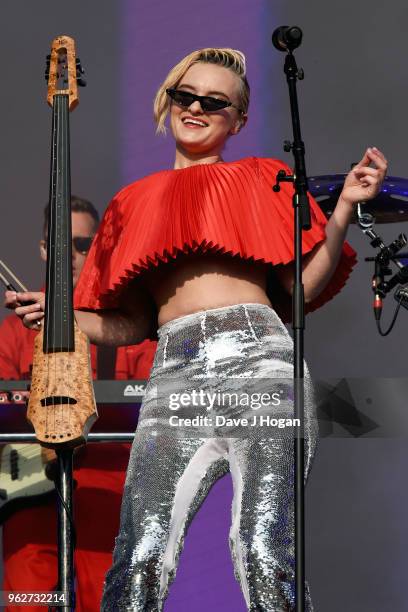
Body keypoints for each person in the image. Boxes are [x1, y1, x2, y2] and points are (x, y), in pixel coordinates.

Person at [6, 48, 387, 611]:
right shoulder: (132, 203)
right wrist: (61, 316)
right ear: (167, 101)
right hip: (174, 376)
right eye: (186, 96)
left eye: (216, 101)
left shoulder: (265, 178)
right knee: (136, 560)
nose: (197, 108)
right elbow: (130, 323)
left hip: (261, 363)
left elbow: (301, 292)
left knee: (261, 551)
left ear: (239, 119)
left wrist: (341, 215)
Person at [1, 197, 156, 612]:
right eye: (60, 243)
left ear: (100, 249)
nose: (71, 254)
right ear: (43, 250)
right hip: (29, 484)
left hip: (107, 483)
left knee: (104, 599)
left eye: (83, 244)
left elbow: (158, 397)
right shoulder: (13, 332)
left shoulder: (124, 327)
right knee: (24, 601)